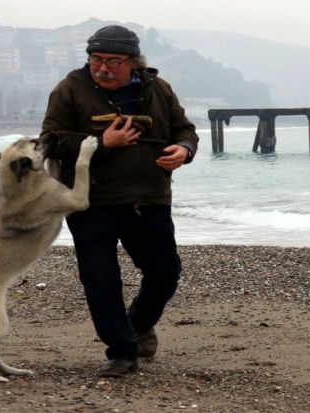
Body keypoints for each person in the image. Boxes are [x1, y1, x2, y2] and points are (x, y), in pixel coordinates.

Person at [40, 25, 199, 378]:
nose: (103, 68)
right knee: (100, 279)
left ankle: (138, 325)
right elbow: (49, 142)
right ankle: (121, 352)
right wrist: (100, 142)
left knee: (165, 273)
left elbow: (185, 130)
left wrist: (183, 150)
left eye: (113, 60)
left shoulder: (158, 89)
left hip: (149, 197)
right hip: (90, 201)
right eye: (96, 59)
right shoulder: (69, 89)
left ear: (134, 62)